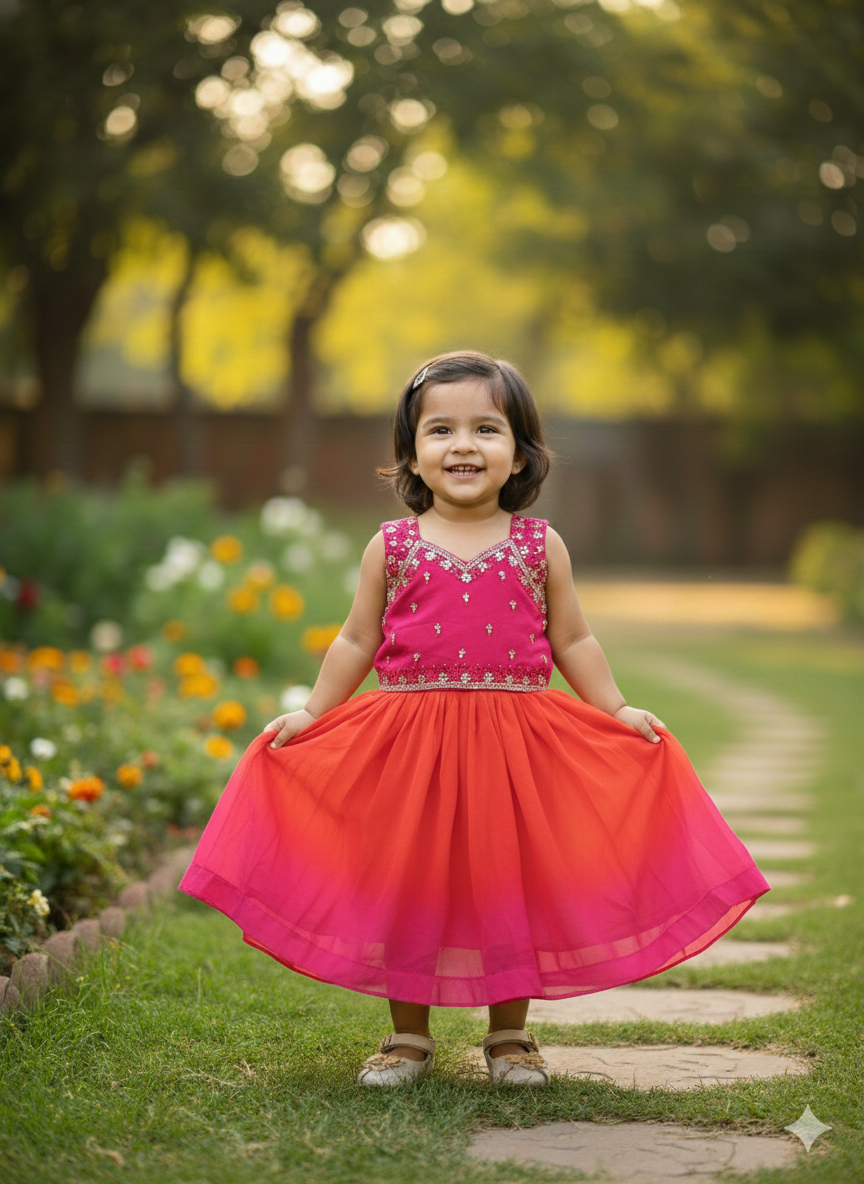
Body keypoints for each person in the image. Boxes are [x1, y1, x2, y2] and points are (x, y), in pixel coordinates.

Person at [180, 350, 769, 1088]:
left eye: (486, 428)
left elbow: (574, 638)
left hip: (514, 749)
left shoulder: (537, 545)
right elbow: (356, 639)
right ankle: (407, 1039)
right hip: (409, 748)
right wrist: (310, 711)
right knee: (409, 883)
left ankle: (510, 1036)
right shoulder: (390, 547)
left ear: (519, 454)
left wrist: (614, 708)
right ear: (413, 455)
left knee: (506, 884)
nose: (463, 445)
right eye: (440, 430)